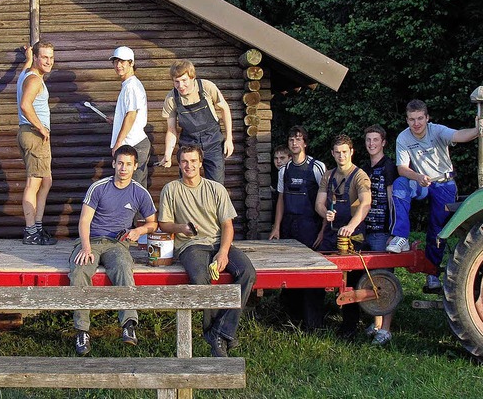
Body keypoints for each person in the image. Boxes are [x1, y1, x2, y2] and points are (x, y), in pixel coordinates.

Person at [158, 145, 256, 357]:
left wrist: (223, 252)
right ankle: (220, 335)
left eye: (193, 161)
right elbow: (164, 224)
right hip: (190, 245)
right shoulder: (171, 189)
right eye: (184, 161)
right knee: (200, 279)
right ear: (179, 164)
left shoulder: (216, 189)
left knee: (247, 272)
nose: (189, 165)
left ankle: (219, 332)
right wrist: (180, 227)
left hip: (217, 242)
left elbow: (228, 225)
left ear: (201, 163)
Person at [69, 145, 157, 356]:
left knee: (124, 267)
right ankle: (82, 330)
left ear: (135, 166)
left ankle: (128, 324)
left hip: (118, 244)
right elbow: (84, 220)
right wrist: (86, 247)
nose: (123, 168)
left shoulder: (139, 192)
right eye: (120, 163)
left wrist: (140, 230)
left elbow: (153, 223)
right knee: (80, 270)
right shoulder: (99, 187)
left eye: (128, 164)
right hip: (91, 240)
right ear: (113, 164)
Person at [386, 99, 479, 291]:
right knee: (400, 184)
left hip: (444, 183)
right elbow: (402, 168)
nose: (416, 123)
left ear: (427, 118)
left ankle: (432, 273)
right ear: (407, 120)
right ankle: (400, 236)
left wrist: (477, 130)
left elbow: (459, 135)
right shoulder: (403, 138)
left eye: (420, 118)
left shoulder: (436, 130)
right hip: (422, 182)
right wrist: (417, 176)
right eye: (412, 119)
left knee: (437, 229)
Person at [269, 126, 326, 329]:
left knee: (310, 274)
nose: (294, 143)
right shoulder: (284, 170)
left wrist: (323, 229)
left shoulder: (317, 167)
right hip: (289, 226)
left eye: (298, 139)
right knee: (290, 273)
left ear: (305, 143)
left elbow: (325, 200)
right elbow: (281, 199)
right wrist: (276, 227)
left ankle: (314, 323)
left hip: (310, 225)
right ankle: (292, 320)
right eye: (291, 139)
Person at [315, 134, 372, 337]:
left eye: (345, 152)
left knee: (352, 282)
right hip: (331, 234)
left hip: (353, 236)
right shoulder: (328, 176)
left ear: (351, 152)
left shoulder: (360, 176)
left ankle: (349, 327)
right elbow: (319, 203)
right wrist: (325, 213)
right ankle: (315, 322)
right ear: (332, 153)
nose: (341, 156)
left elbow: (365, 203)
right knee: (318, 277)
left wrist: (351, 225)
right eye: (337, 152)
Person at [158, 60, 233, 185]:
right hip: (189, 144)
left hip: (213, 142)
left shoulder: (206, 87)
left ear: (192, 77)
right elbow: (171, 130)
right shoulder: (171, 98)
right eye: (176, 82)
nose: (180, 86)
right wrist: (167, 154)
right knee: (187, 184)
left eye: (184, 80)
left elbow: (224, 108)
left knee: (216, 185)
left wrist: (229, 138)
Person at [361, 125, 398, 345]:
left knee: (385, 280)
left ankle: (386, 328)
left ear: (383, 142)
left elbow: (393, 201)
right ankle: (376, 323)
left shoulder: (389, 167)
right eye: (368, 140)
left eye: (376, 140)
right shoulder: (365, 167)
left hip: (383, 231)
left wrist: (394, 232)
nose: (372, 144)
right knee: (371, 279)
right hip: (367, 229)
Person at [17, 41, 55, 245]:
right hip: (34, 134)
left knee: (46, 181)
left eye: (51, 57)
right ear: (38, 59)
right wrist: (40, 127)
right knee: (34, 182)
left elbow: (27, 66)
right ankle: (31, 231)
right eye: (45, 57)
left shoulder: (27, 73)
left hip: (32, 134)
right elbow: (25, 105)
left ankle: (37, 227)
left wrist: (28, 57)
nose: (49, 61)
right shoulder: (35, 81)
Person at [108, 46, 150, 187]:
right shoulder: (129, 85)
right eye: (115, 62)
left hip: (133, 145)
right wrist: (116, 122)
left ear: (131, 63)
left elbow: (131, 115)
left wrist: (118, 143)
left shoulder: (131, 86)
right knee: (135, 190)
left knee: (133, 191)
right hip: (135, 144)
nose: (118, 65)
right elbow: (130, 115)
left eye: (122, 62)